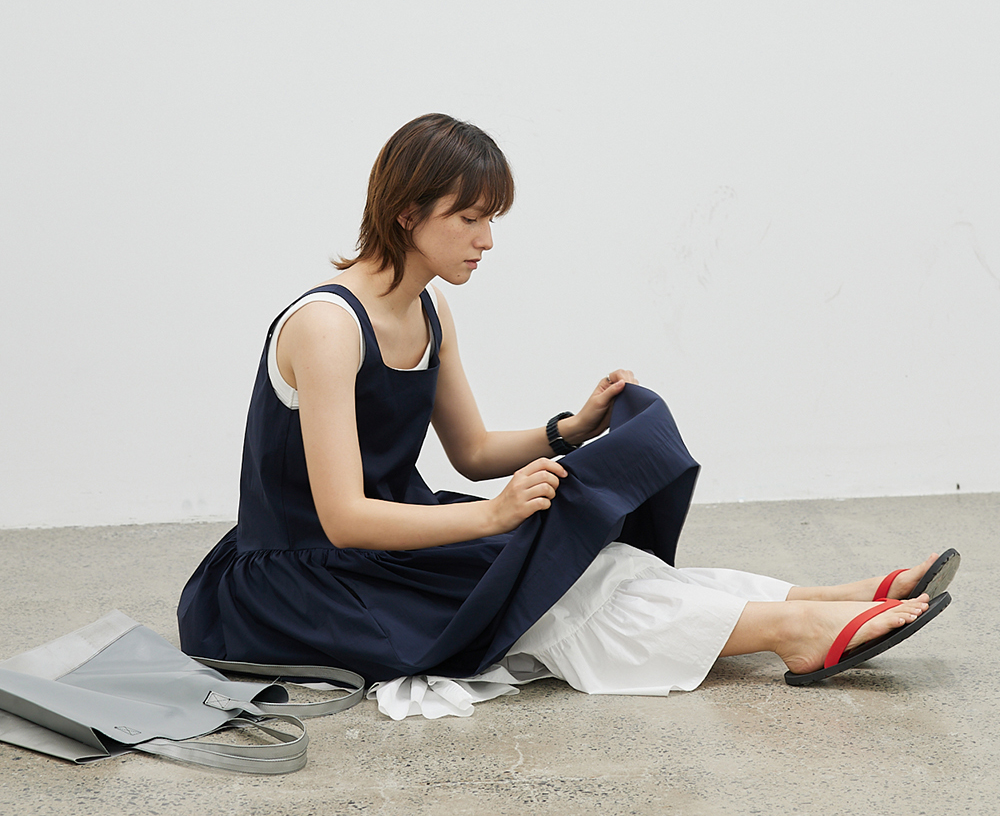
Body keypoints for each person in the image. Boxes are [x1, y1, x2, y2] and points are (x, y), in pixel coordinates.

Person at [178, 113, 955, 718]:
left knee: (595, 566)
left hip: (386, 549)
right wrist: (493, 518)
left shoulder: (430, 310)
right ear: (409, 213)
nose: (487, 240)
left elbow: (473, 450)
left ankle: (819, 599)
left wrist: (572, 430)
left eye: (491, 220)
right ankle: (795, 633)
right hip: (300, 582)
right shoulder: (326, 326)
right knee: (551, 601)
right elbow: (343, 519)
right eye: (470, 218)